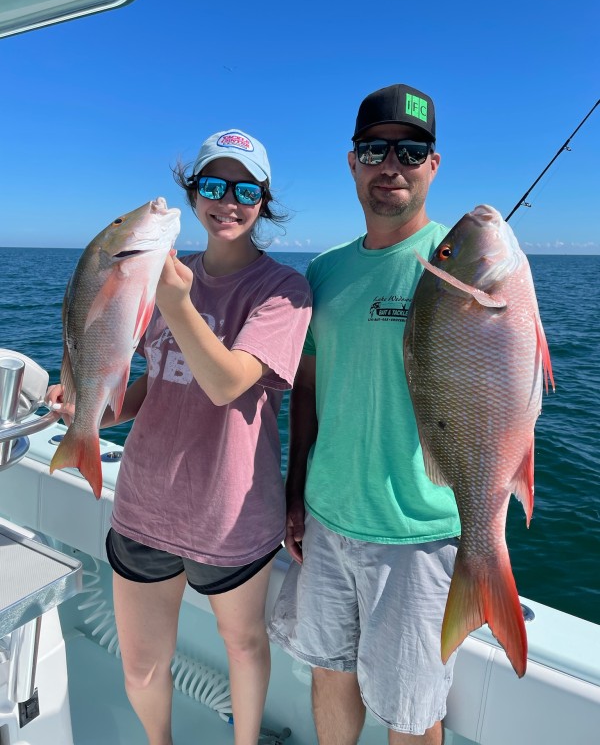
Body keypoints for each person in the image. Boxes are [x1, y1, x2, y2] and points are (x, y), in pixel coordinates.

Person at [50, 128, 312, 745]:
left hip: (231, 513)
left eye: (246, 188)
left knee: (243, 646)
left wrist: (175, 301)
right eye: (214, 185)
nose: (229, 200)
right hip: (145, 504)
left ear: (264, 201)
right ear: (193, 194)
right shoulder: (159, 274)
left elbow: (228, 385)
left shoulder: (282, 291)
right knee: (141, 666)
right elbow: (152, 381)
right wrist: (97, 410)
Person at [267, 85, 461, 745]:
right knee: (329, 675)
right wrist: (295, 492)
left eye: (411, 151)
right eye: (375, 149)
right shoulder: (322, 273)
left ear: (433, 165)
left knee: (410, 711)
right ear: (352, 162)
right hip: (325, 519)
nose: (392, 165)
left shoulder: (459, 269)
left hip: (418, 535)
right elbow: (309, 395)